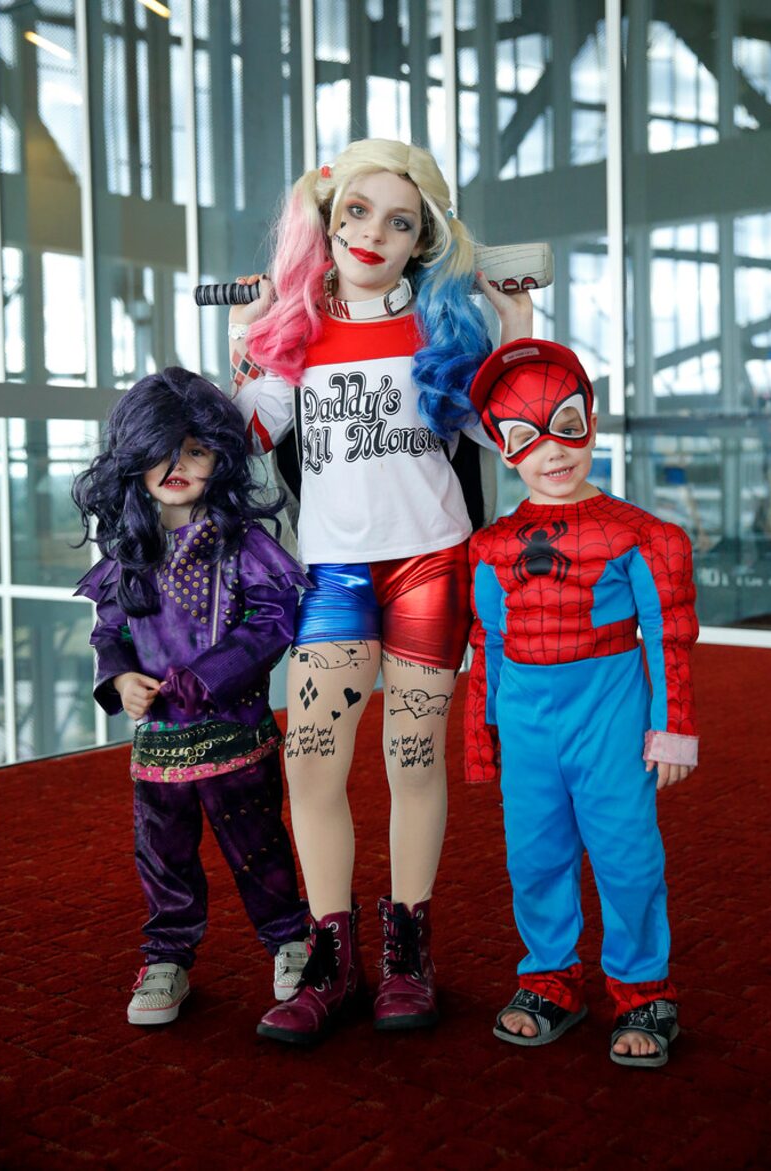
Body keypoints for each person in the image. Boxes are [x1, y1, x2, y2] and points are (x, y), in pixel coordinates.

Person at [224, 138, 533, 1044]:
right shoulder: (294, 332)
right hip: (334, 571)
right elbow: (243, 438)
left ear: (422, 241)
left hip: (432, 563)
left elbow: (510, 431)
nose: (373, 234)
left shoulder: (446, 330)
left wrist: (512, 329)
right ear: (325, 218)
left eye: (401, 222)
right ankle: (332, 956)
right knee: (311, 761)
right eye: (357, 212)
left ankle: (408, 951)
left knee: (412, 760)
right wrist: (239, 350)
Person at [464, 338, 699, 1068]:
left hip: (610, 704)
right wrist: (482, 733)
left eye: (565, 422)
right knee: (534, 853)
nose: (551, 450)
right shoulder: (490, 548)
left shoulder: (644, 536)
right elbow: (488, 644)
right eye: (524, 435)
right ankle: (550, 978)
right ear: (505, 450)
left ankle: (642, 989)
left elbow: (670, 635)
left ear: (591, 421)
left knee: (626, 853)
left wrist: (672, 727)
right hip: (529, 715)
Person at [72, 367, 311, 1026]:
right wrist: (121, 679)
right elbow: (109, 629)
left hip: (236, 734)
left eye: (195, 451)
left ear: (222, 457)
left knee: (259, 845)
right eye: (162, 450)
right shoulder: (128, 550)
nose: (177, 465)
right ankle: (167, 954)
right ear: (133, 458)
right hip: (157, 749)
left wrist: (211, 673)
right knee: (162, 854)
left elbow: (272, 621)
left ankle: (291, 938)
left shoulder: (244, 543)